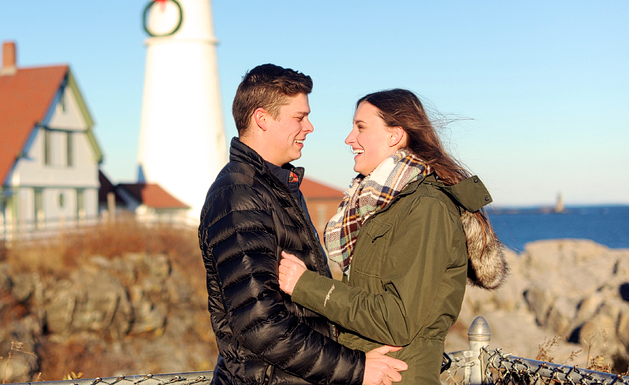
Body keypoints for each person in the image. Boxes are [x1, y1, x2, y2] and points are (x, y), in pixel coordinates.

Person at [278, 89, 508, 385]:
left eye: (361, 127)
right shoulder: (381, 204)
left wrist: (304, 284)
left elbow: (397, 320)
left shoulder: (426, 206)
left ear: (395, 136)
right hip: (372, 372)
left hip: (401, 376)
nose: (349, 138)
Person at [199, 65, 408, 385]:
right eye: (299, 117)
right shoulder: (238, 196)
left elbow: (299, 313)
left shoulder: (273, 188)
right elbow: (260, 325)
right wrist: (357, 368)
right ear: (262, 119)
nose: (309, 127)